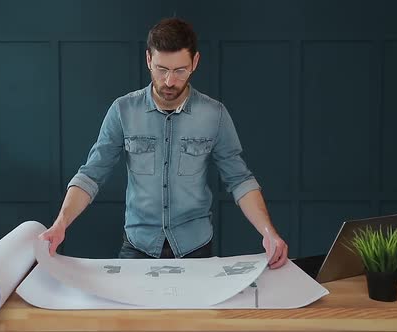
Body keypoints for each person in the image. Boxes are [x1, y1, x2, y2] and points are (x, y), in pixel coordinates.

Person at [39, 17, 288, 269]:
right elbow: (92, 175)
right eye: (161, 69)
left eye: (180, 70)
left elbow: (240, 179)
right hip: (138, 247)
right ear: (149, 60)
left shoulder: (215, 114)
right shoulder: (122, 110)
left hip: (195, 249)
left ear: (195, 63)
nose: (169, 81)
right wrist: (60, 224)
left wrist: (269, 232)